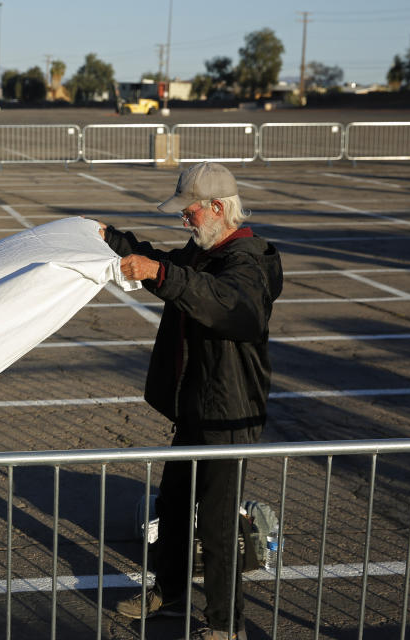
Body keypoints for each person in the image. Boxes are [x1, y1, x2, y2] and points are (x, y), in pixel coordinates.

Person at [98, 162, 283, 640]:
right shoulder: (204, 251)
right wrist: (110, 237)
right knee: (175, 504)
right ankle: (171, 593)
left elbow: (230, 307)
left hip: (230, 412)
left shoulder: (249, 261)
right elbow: (170, 269)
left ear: (218, 209)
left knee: (219, 525)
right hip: (195, 406)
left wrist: (163, 273)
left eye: (190, 213)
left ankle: (225, 624)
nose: (185, 221)